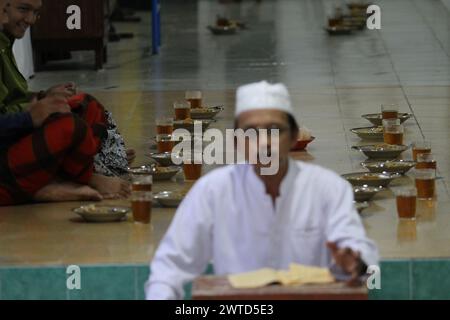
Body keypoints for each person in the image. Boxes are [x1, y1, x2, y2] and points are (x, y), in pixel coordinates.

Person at [145, 81, 379, 300]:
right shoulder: (213, 191)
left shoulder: (328, 188)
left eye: (275, 130)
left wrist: (356, 263)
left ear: (294, 136)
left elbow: (361, 255)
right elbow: (168, 269)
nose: (264, 142)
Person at [0, 0, 130, 205]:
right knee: (69, 128)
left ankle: (66, 175)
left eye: (36, 13)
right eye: (23, 9)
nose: (31, 20)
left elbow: (12, 98)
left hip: (12, 142)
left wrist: (45, 97)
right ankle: (79, 178)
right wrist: (29, 117)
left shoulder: (4, 42)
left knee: (86, 105)